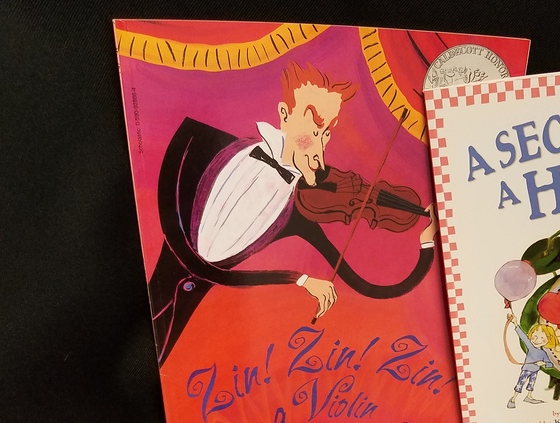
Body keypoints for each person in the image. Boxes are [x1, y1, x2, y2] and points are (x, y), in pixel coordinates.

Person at [149, 60, 439, 365]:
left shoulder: (300, 214)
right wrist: (298, 278)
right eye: (313, 128)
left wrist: (427, 243)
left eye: (326, 133)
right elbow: (187, 251)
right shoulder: (197, 139)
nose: (320, 146)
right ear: (285, 115)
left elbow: (372, 286)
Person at [506, 315, 556, 408]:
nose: (537, 340)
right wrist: (515, 323)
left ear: (548, 340)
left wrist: (543, 363)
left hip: (535, 371)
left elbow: (550, 364)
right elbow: (523, 337)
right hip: (526, 370)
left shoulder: (543, 353)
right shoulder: (531, 347)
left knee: (531, 384)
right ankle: (513, 399)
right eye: (535, 336)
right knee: (520, 383)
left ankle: (529, 397)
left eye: (542, 338)